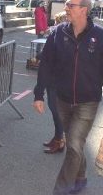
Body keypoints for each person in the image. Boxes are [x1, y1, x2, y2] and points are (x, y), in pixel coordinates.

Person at [32, 0, 103, 195]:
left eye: (71, 5)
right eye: (67, 5)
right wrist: (38, 94)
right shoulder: (58, 33)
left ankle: (61, 190)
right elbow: (45, 65)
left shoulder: (101, 36)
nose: (66, 8)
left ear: (84, 10)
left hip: (87, 102)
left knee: (73, 146)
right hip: (62, 99)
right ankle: (80, 177)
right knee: (75, 142)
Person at [33, 10, 65, 154]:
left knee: (57, 112)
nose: (57, 24)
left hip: (58, 82)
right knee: (55, 112)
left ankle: (60, 140)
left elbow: (51, 57)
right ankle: (58, 137)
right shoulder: (57, 34)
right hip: (53, 80)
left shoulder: (65, 36)